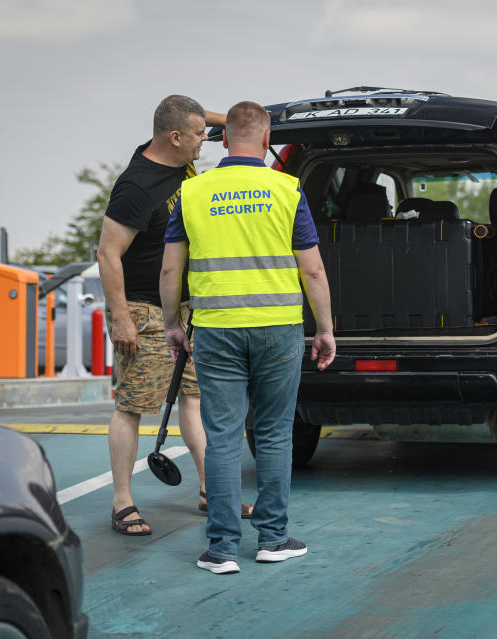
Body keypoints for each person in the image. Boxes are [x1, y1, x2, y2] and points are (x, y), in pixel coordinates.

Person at [160, 100, 335, 574]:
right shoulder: (286, 189)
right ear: (265, 138)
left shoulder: (193, 193)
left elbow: (172, 266)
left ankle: (220, 550)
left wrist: (173, 323)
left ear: (222, 139)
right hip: (278, 328)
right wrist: (325, 329)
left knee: (222, 437)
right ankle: (273, 540)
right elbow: (313, 271)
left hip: (217, 330)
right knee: (275, 434)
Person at [97, 95, 253, 536]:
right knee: (133, 404)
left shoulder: (178, 154)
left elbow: (186, 103)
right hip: (144, 308)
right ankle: (122, 501)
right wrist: (121, 318)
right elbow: (108, 253)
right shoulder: (137, 186)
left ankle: (210, 491)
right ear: (175, 137)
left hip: (184, 309)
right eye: (202, 135)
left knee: (194, 397)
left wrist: (248, 118)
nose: (210, 141)